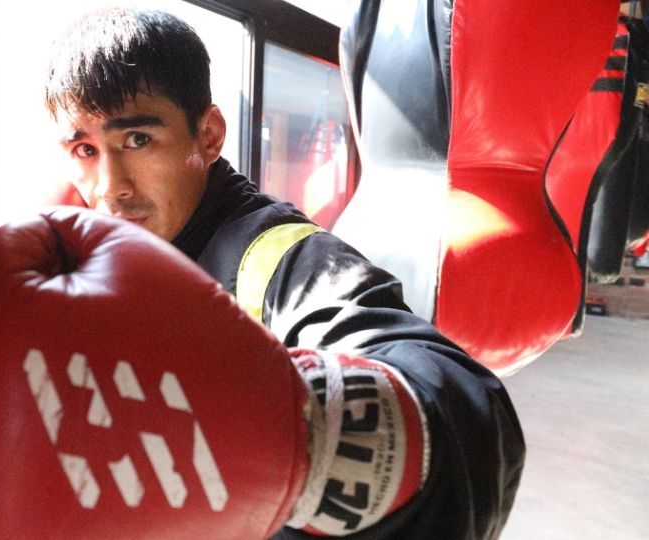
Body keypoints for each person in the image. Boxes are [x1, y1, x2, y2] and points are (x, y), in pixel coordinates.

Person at [42, 7, 524, 538]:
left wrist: (305, 433)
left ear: (208, 135)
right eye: (85, 150)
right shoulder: (105, 261)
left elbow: (467, 415)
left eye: (137, 140)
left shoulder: (277, 256)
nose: (111, 186)